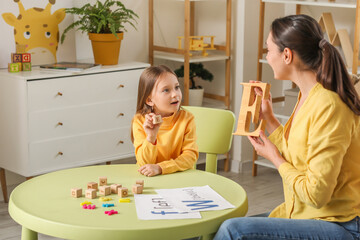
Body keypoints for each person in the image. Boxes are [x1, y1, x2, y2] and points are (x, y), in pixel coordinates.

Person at [214, 14, 360, 240]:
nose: (267, 56)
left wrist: (274, 157)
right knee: (220, 225)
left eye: (268, 50)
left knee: (233, 231)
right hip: (303, 216)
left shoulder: (329, 105)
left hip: (338, 224)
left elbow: (316, 194)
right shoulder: (307, 96)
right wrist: (270, 120)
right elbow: (300, 156)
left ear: (287, 55)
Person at [131, 65, 199, 177]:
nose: (175, 94)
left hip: (180, 177)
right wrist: (151, 137)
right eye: (166, 90)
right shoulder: (139, 121)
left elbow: (190, 157)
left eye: (177, 87)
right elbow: (144, 164)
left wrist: (161, 168)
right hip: (151, 180)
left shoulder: (187, 119)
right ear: (149, 100)